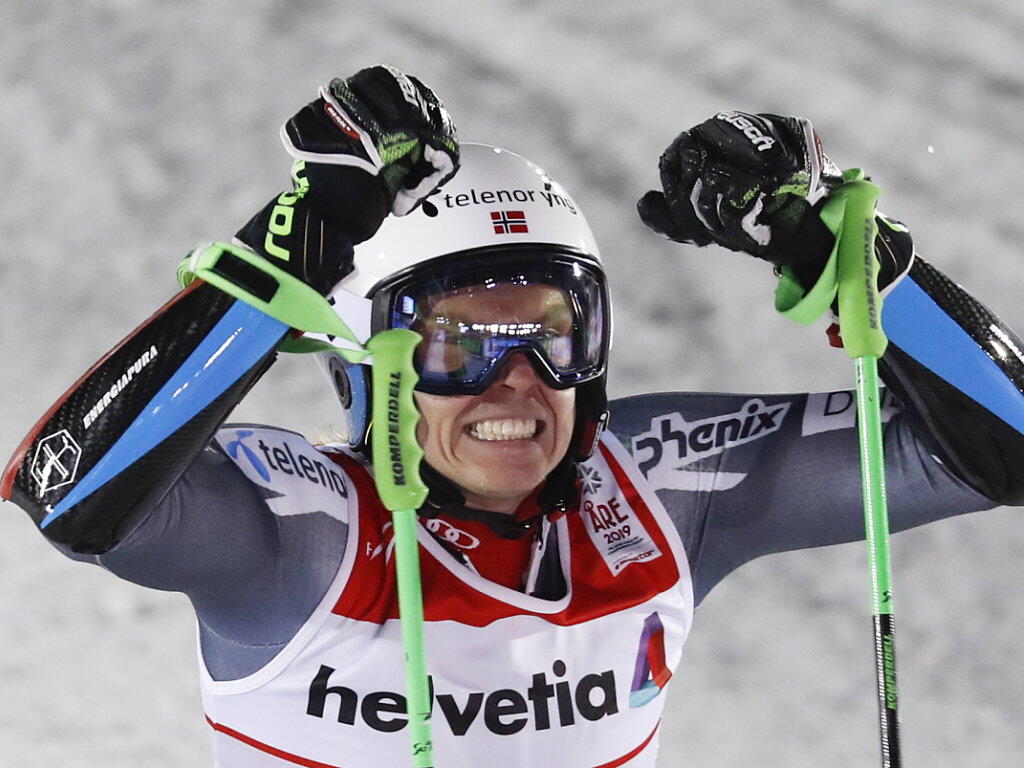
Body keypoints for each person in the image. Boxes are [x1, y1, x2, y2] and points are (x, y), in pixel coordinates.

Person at [4, 65, 1023, 768]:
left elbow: (1005, 447)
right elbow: (67, 490)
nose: (518, 380)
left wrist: (862, 262)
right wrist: (289, 253)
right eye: (459, 341)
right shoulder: (291, 536)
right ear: (363, 355)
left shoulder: (659, 490)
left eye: (553, 331)